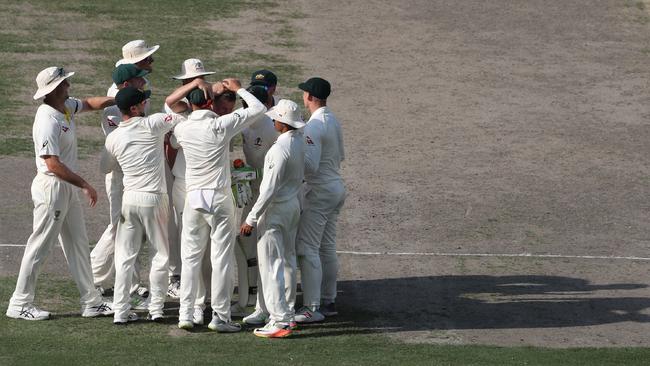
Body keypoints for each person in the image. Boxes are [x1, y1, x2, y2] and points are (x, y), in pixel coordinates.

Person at [6, 66, 114, 320]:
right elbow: (52, 163)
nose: (69, 87)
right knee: (40, 245)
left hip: (65, 187)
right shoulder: (46, 119)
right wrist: (85, 184)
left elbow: (89, 104)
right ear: (54, 89)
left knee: (77, 244)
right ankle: (19, 303)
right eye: (64, 84)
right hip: (52, 186)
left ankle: (91, 301)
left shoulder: (65, 107)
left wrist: (121, 98)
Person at [171, 79, 265, 332]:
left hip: (194, 199)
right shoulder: (220, 125)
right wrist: (237, 89)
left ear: (190, 105)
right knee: (221, 259)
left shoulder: (182, 128)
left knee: (189, 258)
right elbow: (258, 108)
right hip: (219, 198)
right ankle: (220, 318)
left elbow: (169, 105)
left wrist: (197, 88)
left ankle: (186, 313)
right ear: (210, 102)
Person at [100, 87, 185, 324]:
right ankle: (156, 309)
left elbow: (104, 168)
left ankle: (120, 311)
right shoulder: (154, 124)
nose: (147, 103)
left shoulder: (114, 137)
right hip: (156, 199)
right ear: (135, 108)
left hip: (130, 200)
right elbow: (180, 118)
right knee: (160, 255)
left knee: (125, 257)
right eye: (143, 101)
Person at [240, 99, 305, 338]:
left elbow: (268, 189)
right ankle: (285, 313)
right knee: (287, 260)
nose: (273, 120)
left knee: (271, 266)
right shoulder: (298, 141)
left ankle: (280, 320)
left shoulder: (279, 149)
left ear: (283, 123)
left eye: (276, 118)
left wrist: (251, 219)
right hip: (292, 207)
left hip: (276, 210)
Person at [90, 64, 149, 306]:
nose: (144, 83)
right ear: (126, 84)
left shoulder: (130, 97)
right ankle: (95, 275)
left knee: (125, 229)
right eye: (139, 80)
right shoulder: (115, 110)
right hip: (120, 176)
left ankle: (108, 278)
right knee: (121, 228)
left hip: (133, 176)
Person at [164, 58, 216, 302]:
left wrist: (204, 86)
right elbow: (169, 102)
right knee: (189, 240)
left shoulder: (210, 108)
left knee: (206, 243)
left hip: (206, 183)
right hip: (184, 183)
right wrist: (194, 83)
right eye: (191, 82)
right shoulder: (179, 110)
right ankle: (189, 290)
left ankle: (203, 291)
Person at [295, 77, 345, 323]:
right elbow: (340, 156)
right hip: (335, 188)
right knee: (326, 246)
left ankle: (311, 307)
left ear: (310, 97)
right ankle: (328, 299)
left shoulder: (314, 126)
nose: (303, 96)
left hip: (320, 192)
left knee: (307, 248)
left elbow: (310, 166)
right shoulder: (332, 119)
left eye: (304, 92)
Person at [233, 85, 280, 322]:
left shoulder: (272, 125)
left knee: (267, 249)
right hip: (254, 189)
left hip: (270, 196)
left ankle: (269, 305)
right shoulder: (245, 123)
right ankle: (253, 297)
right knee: (247, 243)